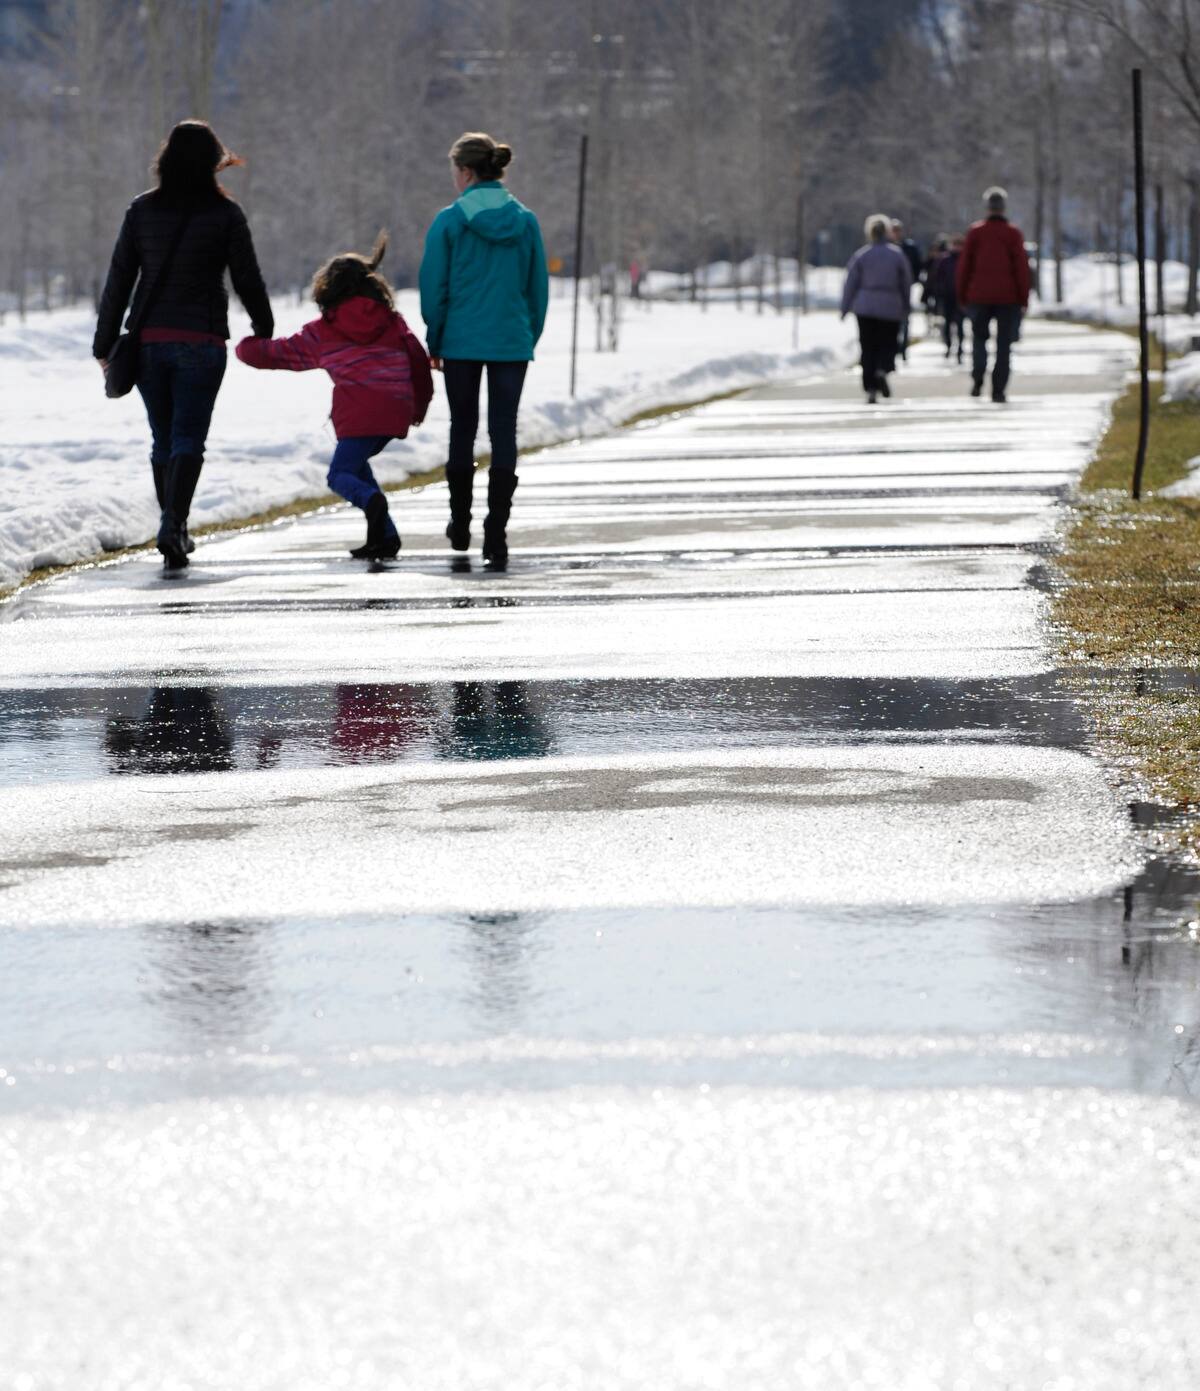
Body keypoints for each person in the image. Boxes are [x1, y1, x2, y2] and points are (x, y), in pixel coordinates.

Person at [94, 120, 274, 571]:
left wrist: (104, 342)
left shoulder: (141, 211)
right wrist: (263, 326)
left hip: (150, 341)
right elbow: (246, 277)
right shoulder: (226, 214)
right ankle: (174, 525)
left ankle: (173, 524)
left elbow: (120, 280)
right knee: (189, 437)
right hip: (202, 341)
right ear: (213, 162)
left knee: (163, 438)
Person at [235, 234, 432, 560]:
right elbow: (417, 361)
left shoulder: (324, 330)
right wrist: (419, 406)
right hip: (395, 411)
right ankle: (385, 537)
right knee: (357, 469)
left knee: (339, 476)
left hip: (359, 415)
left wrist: (245, 348)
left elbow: (280, 354)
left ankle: (372, 504)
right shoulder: (392, 322)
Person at [419, 131, 549, 572]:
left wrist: (435, 337)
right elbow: (537, 289)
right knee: (504, 431)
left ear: (466, 171)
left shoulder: (450, 221)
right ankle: (497, 531)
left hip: (461, 340)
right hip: (510, 339)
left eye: (455, 171)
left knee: (463, 427)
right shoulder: (525, 221)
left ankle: (459, 521)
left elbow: (434, 286)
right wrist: (527, 335)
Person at [956, 186, 1031, 403]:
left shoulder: (976, 232)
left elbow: (964, 267)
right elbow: (1021, 268)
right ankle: (998, 388)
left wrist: (962, 295)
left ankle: (978, 377)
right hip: (1008, 298)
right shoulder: (1013, 234)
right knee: (1004, 344)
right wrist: (1023, 298)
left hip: (979, 296)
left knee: (979, 339)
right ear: (1003, 207)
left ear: (988, 207)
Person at [840, 213, 912, 405]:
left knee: (868, 346)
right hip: (890, 305)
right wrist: (906, 304)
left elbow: (851, 282)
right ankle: (883, 368)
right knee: (888, 343)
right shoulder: (896, 254)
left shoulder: (862, 255)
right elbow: (906, 282)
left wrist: (845, 307)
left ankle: (870, 385)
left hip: (866, 306)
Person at [891, 219, 923, 359]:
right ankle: (894, 347)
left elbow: (917, 265)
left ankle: (903, 348)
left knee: (904, 319)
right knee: (891, 321)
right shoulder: (886, 248)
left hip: (904, 287)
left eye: (897, 230)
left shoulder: (909, 247)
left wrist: (911, 280)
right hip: (889, 289)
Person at [933, 235, 966, 362]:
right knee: (947, 324)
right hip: (947, 296)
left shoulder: (965, 259)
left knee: (960, 325)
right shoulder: (945, 260)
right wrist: (939, 292)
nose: (957, 247)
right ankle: (948, 346)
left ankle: (960, 350)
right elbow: (938, 277)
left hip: (961, 297)